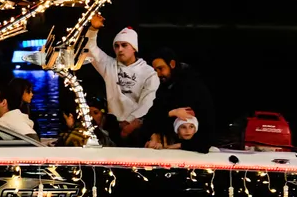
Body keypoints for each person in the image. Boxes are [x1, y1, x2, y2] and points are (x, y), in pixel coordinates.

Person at [85, 13, 159, 145]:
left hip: (137, 127)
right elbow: (90, 49)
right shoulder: (109, 65)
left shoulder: (148, 73)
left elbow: (148, 102)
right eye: (116, 46)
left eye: (124, 45)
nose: (120, 49)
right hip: (113, 126)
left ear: (134, 48)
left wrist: (130, 123)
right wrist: (93, 29)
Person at [150, 48, 216, 152]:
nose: (158, 74)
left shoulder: (194, 86)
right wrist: (172, 113)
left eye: (161, 68)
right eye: (155, 70)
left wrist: (180, 145)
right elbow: (152, 117)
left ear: (172, 64)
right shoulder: (164, 88)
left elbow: (207, 130)